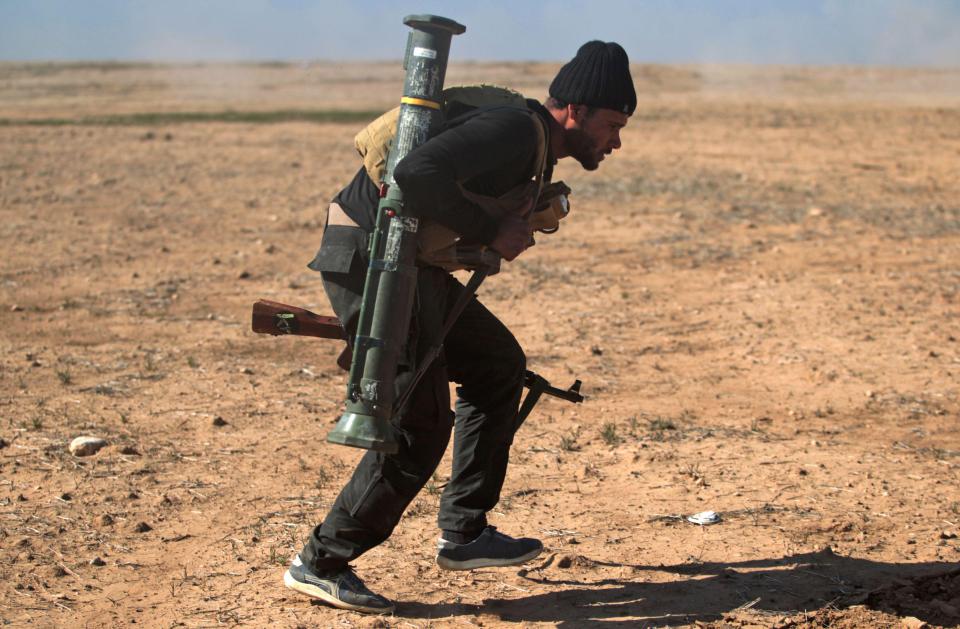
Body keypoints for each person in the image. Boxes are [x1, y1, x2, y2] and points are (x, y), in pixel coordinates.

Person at [284, 40, 636, 614]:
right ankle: (321, 561)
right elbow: (414, 170)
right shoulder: (518, 132)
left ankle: (465, 534)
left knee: (498, 364)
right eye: (613, 125)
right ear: (576, 111)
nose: (616, 141)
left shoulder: (535, 143)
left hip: (406, 262)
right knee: (420, 425)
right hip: (374, 259)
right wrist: (489, 228)